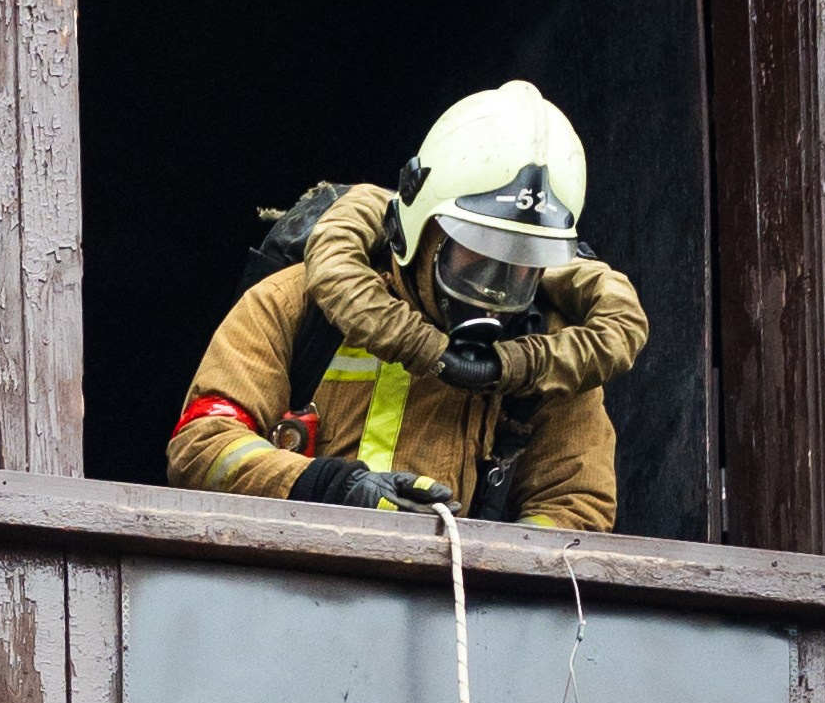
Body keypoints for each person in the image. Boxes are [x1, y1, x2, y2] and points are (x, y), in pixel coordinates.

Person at [166, 82, 647, 529]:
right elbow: (203, 447)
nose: (494, 291)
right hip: (290, 600)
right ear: (419, 229)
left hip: (448, 614)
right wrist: (333, 489)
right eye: (475, 255)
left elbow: (575, 508)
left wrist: (490, 577)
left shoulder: (552, 359)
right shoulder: (298, 303)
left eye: (521, 265)